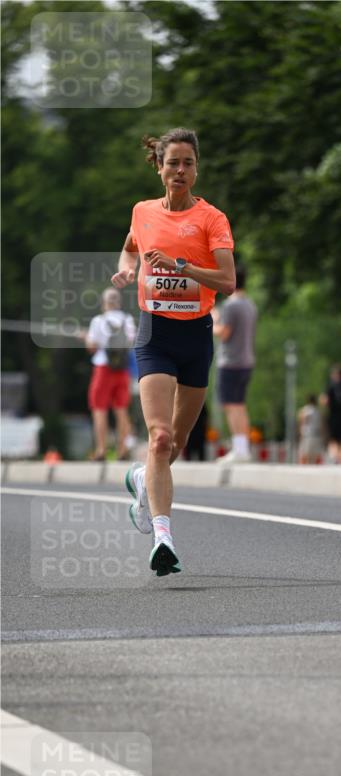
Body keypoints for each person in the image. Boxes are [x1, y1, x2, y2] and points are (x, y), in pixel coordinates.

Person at [111, 127, 235, 576]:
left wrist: (181, 266)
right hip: (155, 334)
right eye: (173, 163)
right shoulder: (143, 211)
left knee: (176, 444)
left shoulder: (211, 219)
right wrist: (128, 271)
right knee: (159, 438)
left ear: (196, 170)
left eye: (188, 163)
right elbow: (130, 249)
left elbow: (227, 281)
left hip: (196, 336)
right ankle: (163, 537)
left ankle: (142, 479)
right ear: (159, 168)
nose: (180, 170)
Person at [212, 262, 257, 464]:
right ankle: (243, 447)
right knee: (240, 405)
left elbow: (224, 333)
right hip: (246, 360)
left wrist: (213, 320)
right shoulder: (250, 305)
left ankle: (239, 449)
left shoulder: (231, 305)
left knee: (231, 406)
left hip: (231, 361)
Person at [84, 287, 136, 461]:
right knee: (121, 409)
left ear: (104, 303)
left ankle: (101, 450)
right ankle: (122, 449)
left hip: (103, 368)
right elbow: (131, 342)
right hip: (122, 369)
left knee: (99, 409)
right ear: (119, 302)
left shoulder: (98, 321)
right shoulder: (127, 320)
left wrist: (85, 338)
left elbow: (92, 347)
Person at [298, 394, 323, 464]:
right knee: (316, 456)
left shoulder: (305, 410)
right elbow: (321, 425)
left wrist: (300, 432)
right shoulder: (318, 411)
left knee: (303, 455)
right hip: (316, 435)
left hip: (307, 435)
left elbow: (302, 421)